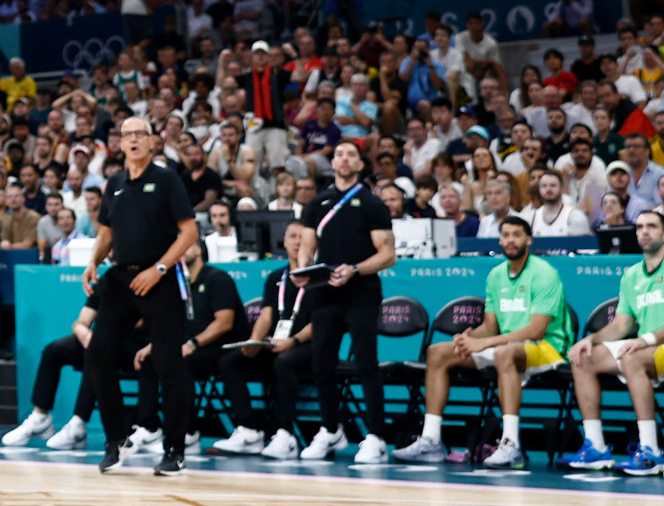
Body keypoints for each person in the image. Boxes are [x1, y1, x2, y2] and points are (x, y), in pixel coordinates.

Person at [393, 214, 570, 468]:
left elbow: (536, 330)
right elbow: (490, 327)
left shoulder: (544, 273)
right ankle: (430, 441)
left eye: (516, 235)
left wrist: (486, 343)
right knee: (438, 352)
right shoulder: (496, 275)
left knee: (503, 353)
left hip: (548, 348)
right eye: (505, 235)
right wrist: (469, 337)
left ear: (529, 240)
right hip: (506, 346)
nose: (510, 240)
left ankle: (510, 445)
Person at [82, 116, 199, 476]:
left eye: (139, 134)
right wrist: (93, 262)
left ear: (152, 141)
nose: (132, 140)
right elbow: (106, 232)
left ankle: (175, 449)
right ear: (119, 142)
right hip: (121, 278)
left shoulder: (166, 179)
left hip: (160, 278)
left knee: (168, 364)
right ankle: (117, 438)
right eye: (126, 134)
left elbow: (189, 231)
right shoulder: (114, 182)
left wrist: (160, 269)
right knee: (99, 352)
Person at [295, 139, 396, 464]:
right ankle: (330, 428)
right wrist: (300, 269)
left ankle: (376, 436)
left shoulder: (372, 204)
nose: (344, 159)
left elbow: (388, 254)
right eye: (339, 154)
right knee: (321, 362)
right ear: (333, 161)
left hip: (361, 293)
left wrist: (354, 270)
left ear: (359, 163)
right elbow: (307, 245)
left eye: (351, 154)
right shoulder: (317, 202)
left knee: (366, 363)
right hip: (324, 291)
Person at [560, 208, 664, 472]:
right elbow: (622, 325)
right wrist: (591, 340)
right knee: (583, 357)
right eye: (640, 227)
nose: (645, 232)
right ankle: (596, 448)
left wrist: (646, 339)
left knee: (631, 357)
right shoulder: (632, 275)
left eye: (651, 226)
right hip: (648, 348)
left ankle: (651, 450)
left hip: (652, 346)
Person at [125, 242, 241, 454]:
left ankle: (188, 431)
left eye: (186, 246)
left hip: (223, 348)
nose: (179, 250)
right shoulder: (180, 284)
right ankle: (149, 427)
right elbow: (176, 324)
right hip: (193, 348)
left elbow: (224, 323)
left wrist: (192, 344)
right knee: (151, 359)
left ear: (198, 249)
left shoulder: (217, 278)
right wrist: (154, 345)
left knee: (180, 363)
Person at [213, 222, 316, 459]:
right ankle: (249, 430)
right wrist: (254, 342)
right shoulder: (275, 277)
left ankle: (285, 434)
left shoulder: (320, 278)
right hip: (276, 344)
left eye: (303, 237)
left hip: (308, 346)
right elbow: (267, 315)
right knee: (231, 361)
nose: (297, 242)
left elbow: (321, 322)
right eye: (292, 237)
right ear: (285, 242)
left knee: (284, 362)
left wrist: (293, 341)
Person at [0, 294, 142, 450]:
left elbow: (140, 322)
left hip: (130, 346)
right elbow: (81, 322)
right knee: (53, 351)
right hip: (98, 340)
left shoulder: (140, 284)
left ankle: (78, 424)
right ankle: (40, 418)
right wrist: (82, 331)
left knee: (95, 353)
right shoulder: (106, 282)